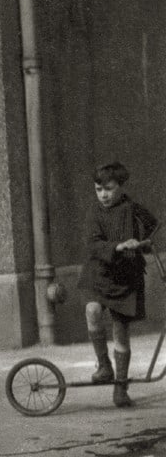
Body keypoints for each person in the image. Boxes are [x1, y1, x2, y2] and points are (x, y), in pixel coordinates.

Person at [77, 161, 158, 408]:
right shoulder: (95, 213)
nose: (103, 195)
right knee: (92, 310)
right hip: (99, 274)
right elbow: (92, 244)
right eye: (98, 189)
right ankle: (104, 366)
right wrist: (118, 246)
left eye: (109, 189)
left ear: (121, 186)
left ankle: (120, 387)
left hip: (125, 278)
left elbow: (154, 226)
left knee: (121, 332)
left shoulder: (132, 209)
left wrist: (143, 243)